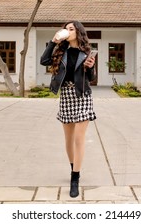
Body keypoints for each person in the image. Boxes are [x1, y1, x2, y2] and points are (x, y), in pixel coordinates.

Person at [40, 20, 96, 198]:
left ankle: (75, 178)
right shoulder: (60, 51)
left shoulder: (87, 51)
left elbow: (91, 78)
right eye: (66, 29)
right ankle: (74, 166)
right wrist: (54, 41)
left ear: (78, 31)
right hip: (66, 95)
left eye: (71, 29)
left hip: (82, 95)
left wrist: (91, 67)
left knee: (79, 139)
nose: (67, 31)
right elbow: (44, 61)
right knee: (68, 139)